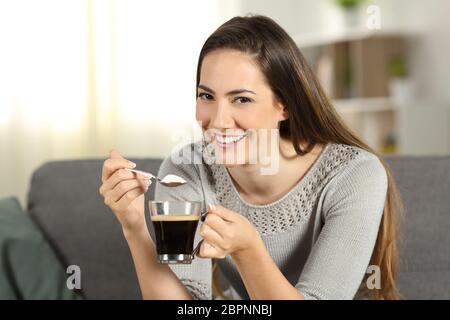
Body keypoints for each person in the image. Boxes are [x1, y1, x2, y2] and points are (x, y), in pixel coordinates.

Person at [99, 15, 403, 300]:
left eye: (241, 99)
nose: (219, 121)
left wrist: (248, 250)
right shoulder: (186, 171)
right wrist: (135, 225)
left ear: (284, 105)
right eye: (207, 96)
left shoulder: (355, 175)